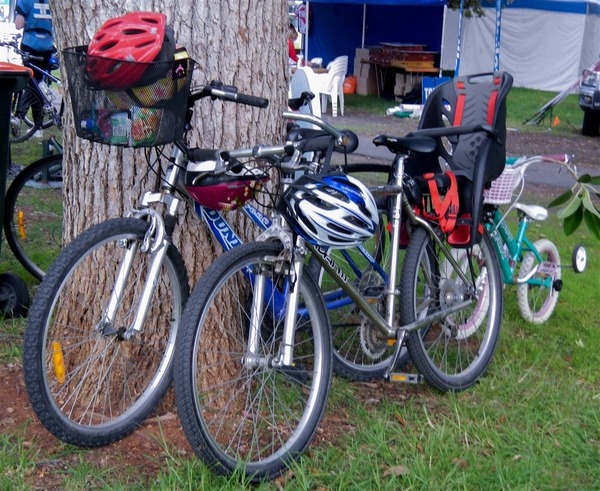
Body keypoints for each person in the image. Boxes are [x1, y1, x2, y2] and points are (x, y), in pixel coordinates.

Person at [12, 0, 53, 136]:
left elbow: (18, 24)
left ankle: (19, 116)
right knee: (37, 83)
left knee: (32, 84)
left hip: (30, 44)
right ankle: (38, 126)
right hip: (47, 46)